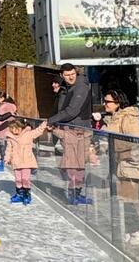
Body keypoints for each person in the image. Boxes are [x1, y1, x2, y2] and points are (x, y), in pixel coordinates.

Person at [101, 89, 139, 245]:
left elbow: (135, 140)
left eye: (108, 101)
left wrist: (111, 144)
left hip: (130, 163)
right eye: (104, 101)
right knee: (121, 199)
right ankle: (129, 229)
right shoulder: (113, 118)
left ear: (118, 103)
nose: (105, 104)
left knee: (128, 200)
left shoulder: (129, 117)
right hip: (118, 163)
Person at [48, 63, 93, 205]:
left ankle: (75, 192)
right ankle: (74, 192)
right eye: (67, 75)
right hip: (69, 130)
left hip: (80, 131)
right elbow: (61, 108)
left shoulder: (80, 87)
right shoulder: (66, 88)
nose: (71, 77)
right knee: (72, 163)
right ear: (62, 75)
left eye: (73, 74)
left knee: (77, 164)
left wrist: (52, 120)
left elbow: (72, 110)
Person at [4, 118, 48, 205]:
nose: (13, 131)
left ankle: (26, 194)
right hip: (16, 161)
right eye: (12, 128)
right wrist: (7, 158)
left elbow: (38, 131)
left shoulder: (28, 134)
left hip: (26, 161)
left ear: (21, 127)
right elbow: (9, 149)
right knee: (18, 179)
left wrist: (45, 124)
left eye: (15, 128)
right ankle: (19, 194)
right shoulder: (10, 137)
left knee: (25, 179)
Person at [0, 93, 18, 170]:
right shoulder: (13, 105)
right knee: (11, 146)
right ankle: (11, 160)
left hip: (3, 129)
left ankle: (3, 162)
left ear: (2, 98)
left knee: (3, 147)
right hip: (11, 129)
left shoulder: (4, 106)